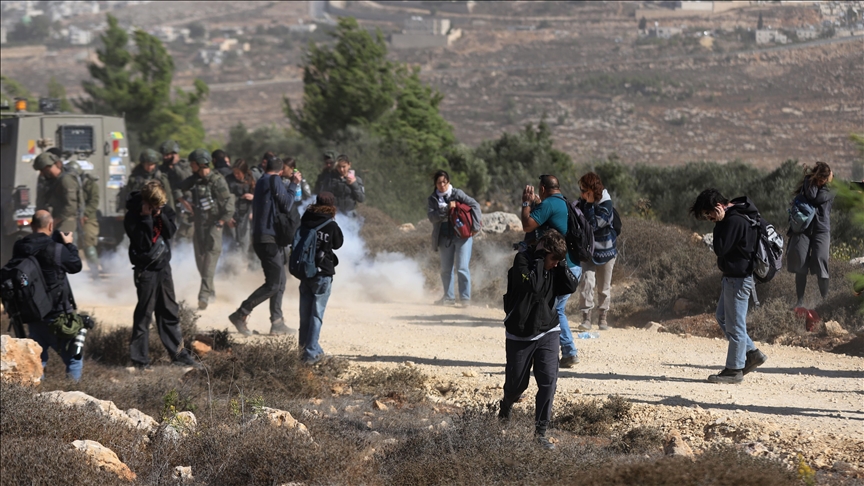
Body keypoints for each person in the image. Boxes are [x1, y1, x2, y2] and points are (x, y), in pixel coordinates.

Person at [499, 230, 579, 450]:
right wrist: (540, 262)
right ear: (544, 254)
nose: (555, 264)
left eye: (558, 260)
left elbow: (571, 286)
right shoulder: (523, 261)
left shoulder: (555, 265)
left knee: (548, 382)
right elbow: (532, 287)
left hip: (548, 330)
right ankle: (506, 405)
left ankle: (540, 434)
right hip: (520, 333)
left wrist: (560, 263)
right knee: (517, 386)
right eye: (553, 259)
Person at [689, 188, 768, 384]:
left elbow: (720, 248)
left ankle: (734, 369)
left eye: (710, 215)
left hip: (738, 278)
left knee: (735, 325)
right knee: (723, 317)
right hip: (734, 277)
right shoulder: (740, 214)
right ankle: (752, 353)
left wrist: (719, 225)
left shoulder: (733, 220)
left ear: (718, 207)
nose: (710, 219)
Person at [124, 180, 199, 370]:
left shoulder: (165, 210)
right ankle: (140, 360)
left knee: (169, 312)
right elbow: (143, 243)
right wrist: (146, 218)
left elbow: (171, 231)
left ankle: (179, 355)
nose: (159, 208)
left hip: (163, 269)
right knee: (144, 315)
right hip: (146, 270)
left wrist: (160, 215)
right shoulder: (132, 216)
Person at [229, 157, 300, 336]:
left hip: (265, 238)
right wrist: (293, 185)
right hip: (268, 239)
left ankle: (277, 322)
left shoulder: (262, 180)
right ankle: (241, 313)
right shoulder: (274, 179)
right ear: (281, 171)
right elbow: (287, 204)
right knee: (274, 283)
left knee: (280, 280)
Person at [520, 174, 583, 368]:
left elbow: (527, 224)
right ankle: (556, 352)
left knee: (555, 309)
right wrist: (537, 203)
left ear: (542, 188)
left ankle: (569, 351)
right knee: (553, 307)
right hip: (572, 264)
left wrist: (525, 204)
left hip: (563, 266)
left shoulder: (550, 205)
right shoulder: (561, 202)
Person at [12, 210, 83, 380]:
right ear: (51, 225)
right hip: (57, 315)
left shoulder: (19, 247)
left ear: (31, 225)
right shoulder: (57, 249)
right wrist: (68, 245)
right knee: (74, 358)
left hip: (32, 313)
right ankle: (73, 401)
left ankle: (38, 400)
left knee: (38, 360)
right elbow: (76, 265)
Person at [180, 149, 236, 310]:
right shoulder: (195, 180)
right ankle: (211, 292)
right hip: (198, 225)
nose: (190, 166)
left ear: (200, 164)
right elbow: (177, 188)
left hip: (214, 225)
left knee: (210, 260)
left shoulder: (218, 181)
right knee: (200, 261)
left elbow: (228, 203)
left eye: (192, 163)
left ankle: (203, 295)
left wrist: (221, 221)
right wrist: (184, 202)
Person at [296, 192, 343, 365]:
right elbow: (338, 244)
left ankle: (304, 350)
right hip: (322, 274)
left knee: (305, 315)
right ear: (331, 206)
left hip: (306, 273)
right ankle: (310, 355)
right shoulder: (331, 224)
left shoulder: (306, 219)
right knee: (316, 315)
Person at [426, 170, 482, 307]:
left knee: (462, 268)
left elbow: (475, 205)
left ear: (449, 182)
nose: (442, 185)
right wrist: (445, 210)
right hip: (444, 238)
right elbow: (432, 217)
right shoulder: (433, 199)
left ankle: (465, 299)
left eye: (444, 182)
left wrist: (475, 227)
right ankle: (449, 298)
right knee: (446, 269)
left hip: (462, 236)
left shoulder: (457, 193)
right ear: (435, 184)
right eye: (439, 183)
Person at [787, 161, 835, 308]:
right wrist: (814, 181)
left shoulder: (832, 187)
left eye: (823, 181)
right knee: (801, 262)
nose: (821, 183)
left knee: (821, 260)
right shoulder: (809, 183)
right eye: (818, 180)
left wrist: (830, 185)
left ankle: (825, 301)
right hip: (804, 228)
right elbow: (813, 196)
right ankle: (800, 301)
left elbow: (819, 198)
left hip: (821, 228)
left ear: (828, 179)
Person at [576, 172, 618, 331]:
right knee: (587, 282)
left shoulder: (606, 204)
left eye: (583, 190)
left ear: (591, 191)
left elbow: (594, 225)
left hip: (606, 252)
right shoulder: (584, 203)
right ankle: (586, 318)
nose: (581, 194)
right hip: (588, 252)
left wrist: (588, 205)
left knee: (604, 288)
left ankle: (602, 318)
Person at [58, 155, 101, 279]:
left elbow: (94, 201)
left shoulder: (89, 183)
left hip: (88, 218)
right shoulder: (67, 183)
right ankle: (74, 277)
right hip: (71, 217)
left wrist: (85, 214)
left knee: (88, 245)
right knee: (71, 244)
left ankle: (95, 275)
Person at [33, 152, 80, 237]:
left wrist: (56, 221)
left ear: (47, 167)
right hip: (56, 221)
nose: (41, 174)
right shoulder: (53, 181)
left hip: (65, 222)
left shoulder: (66, 180)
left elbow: (71, 206)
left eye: (42, 170)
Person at [159, 140, 195, 242]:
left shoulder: (185, 166)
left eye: (167, 155)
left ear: (174, 154)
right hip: (168, 207)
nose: (165, 157)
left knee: (184, 236)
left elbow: (186, 180)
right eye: (163, 155)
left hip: (185, 206)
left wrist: (175, 166)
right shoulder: (162, 169)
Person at [224, 158, 255, 254]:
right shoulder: (228, 180)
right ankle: (231, 264)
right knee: (232, 242)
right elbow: (223, 199)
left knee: (244, 241)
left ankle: (242, 264)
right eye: (234, 173)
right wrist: (228, 217)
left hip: (246, 214)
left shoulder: (252, 179)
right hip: (231, 214)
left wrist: (253, 197)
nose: (236, 175)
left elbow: (262, 196)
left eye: (238, 173)